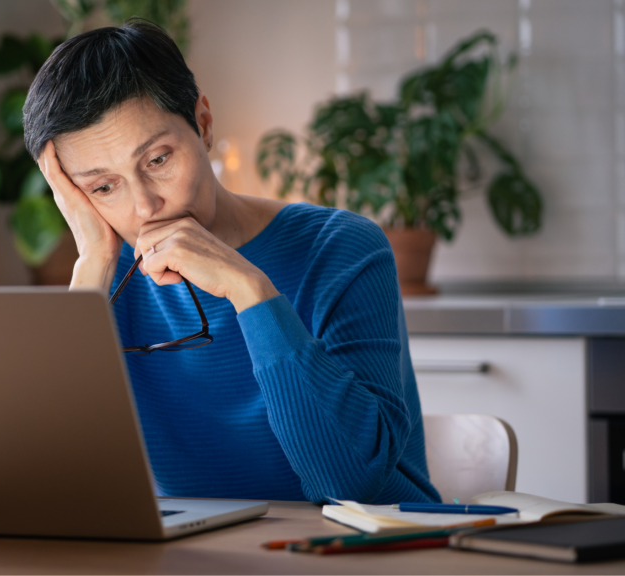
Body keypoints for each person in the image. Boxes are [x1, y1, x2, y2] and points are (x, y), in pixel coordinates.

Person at [22, 19, 440, 504]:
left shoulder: (342, 248)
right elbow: (49, 486)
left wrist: (249, 291)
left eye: (157, 160)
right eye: (102, 187)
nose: (144, 207)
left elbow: (350, 485)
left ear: (203, 124)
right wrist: (92, 268)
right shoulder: (106, 278)